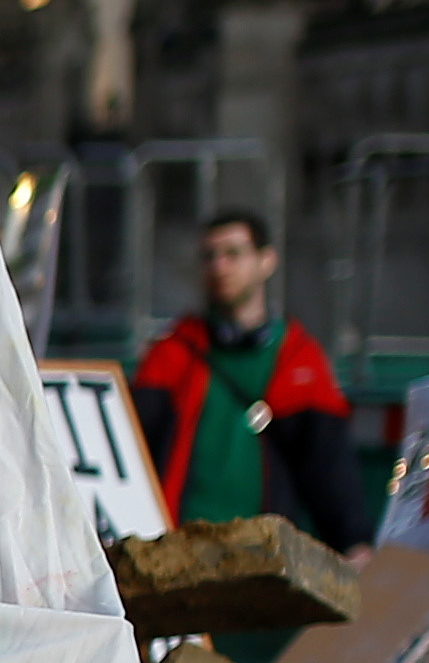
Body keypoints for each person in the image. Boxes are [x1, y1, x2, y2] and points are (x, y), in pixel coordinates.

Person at [129, 210, 368, 545]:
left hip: (263, 556)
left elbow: (329, 465)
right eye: (209, 256)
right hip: (176, 548)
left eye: (233, 254)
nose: (219, 267)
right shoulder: (171, 353)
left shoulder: (298, 357)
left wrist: (353, 541)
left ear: (266, 261)